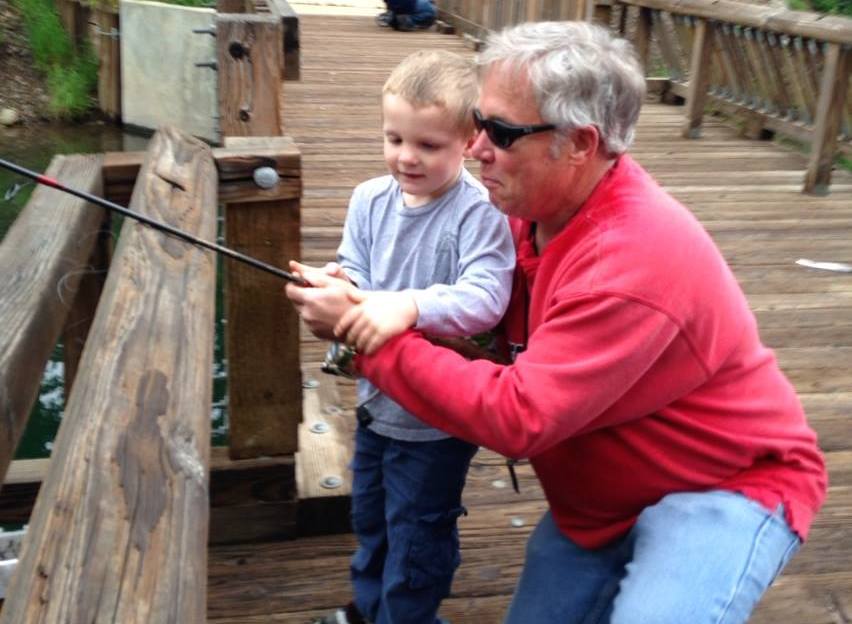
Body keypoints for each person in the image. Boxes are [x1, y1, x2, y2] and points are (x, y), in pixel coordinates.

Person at [288, 21, 828, 624]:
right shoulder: (516, 211)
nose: (474, 148)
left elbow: (518, 416)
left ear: (579, 143)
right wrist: (355, 294)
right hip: (597, 508)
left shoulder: (630, 263)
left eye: (501, 131)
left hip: (723, 487)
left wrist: (362, 338)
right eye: (477, 121)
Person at [310, 49, 515, 624]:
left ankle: (408, 617)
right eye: (394, 138)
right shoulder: (367, 200)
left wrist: (408, 306)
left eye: (428, 145)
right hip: (376, 404)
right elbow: (355, 266)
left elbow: (485, 298)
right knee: (370, 516)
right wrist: (337, 283)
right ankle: (368, 607)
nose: (407, 157)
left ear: (469, 141)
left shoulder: (479, 214)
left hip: (436, 421)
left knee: (419, 531)